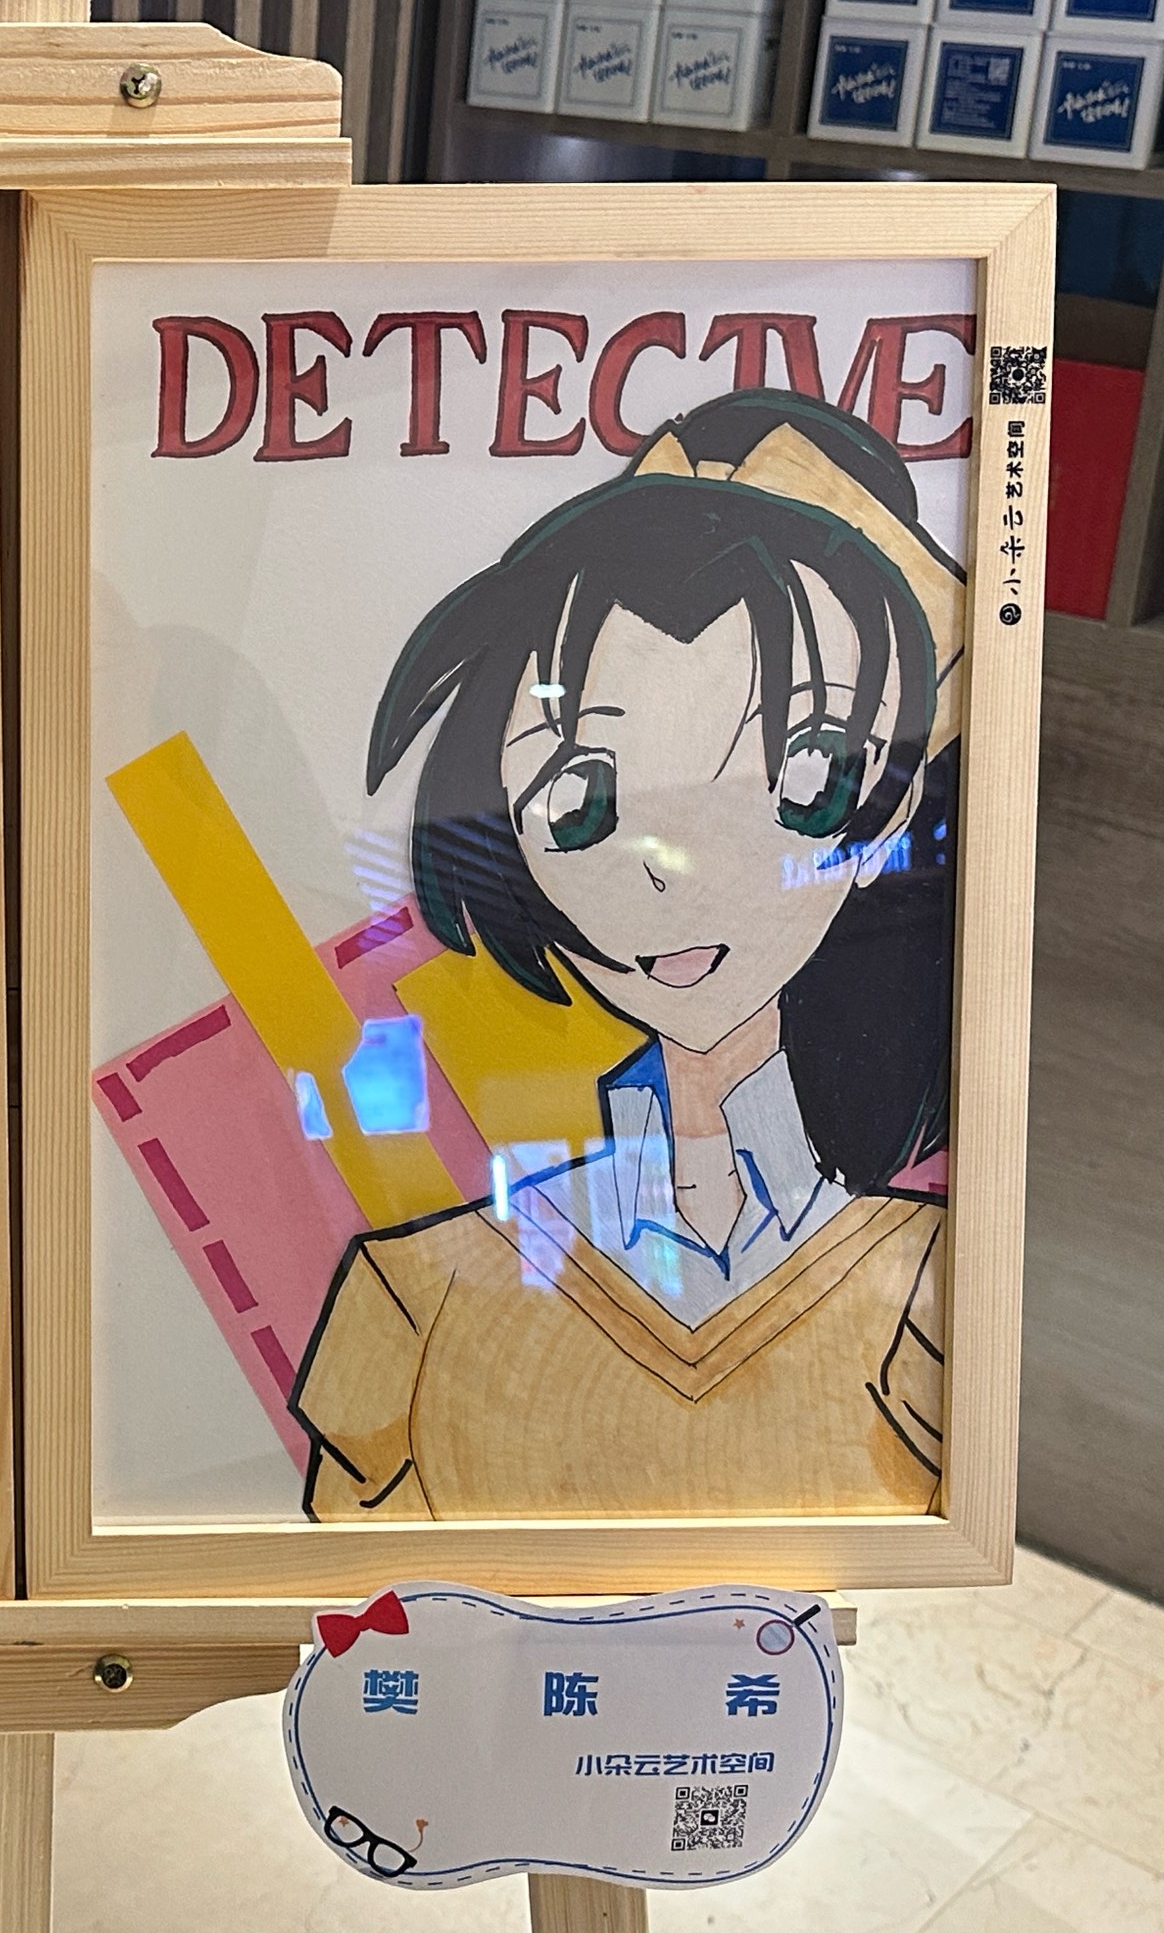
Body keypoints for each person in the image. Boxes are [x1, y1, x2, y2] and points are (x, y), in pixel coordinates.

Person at [291, 389, 957, 1520]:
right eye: (582, 799)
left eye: (801, 778)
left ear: (884, 817)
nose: (673, 869)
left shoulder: (930, 1290)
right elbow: (364, 1586)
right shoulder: (416, 1301)